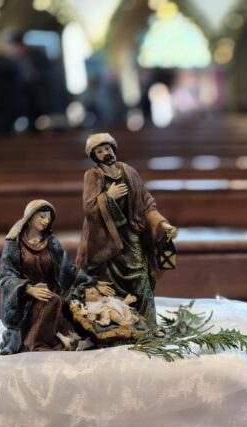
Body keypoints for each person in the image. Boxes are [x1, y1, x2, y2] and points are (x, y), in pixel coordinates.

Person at [76, 133, 178, 327]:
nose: (105, 153)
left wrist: (163, 224)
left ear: (113, 149)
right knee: (109, 283)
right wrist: (108, 197)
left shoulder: (129, 172)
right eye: (100, 151)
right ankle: (117, 323)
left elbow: (146, 203)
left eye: (107, 148)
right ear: (94, 156)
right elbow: (89, 209)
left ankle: (149, 324)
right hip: (106, 240)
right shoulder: (93, 175)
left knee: (141, 274)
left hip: (131, 235)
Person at [0, 199, 93, 354]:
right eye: (41, 217)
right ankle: (34, 342)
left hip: (52, 291)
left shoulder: (51, 242)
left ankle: (57, 336)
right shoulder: (14, 243)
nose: (46, 221)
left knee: (69, 303)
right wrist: (29, 289)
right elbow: (6, 277)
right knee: (52, 300)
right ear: (30, 218)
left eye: (48, 218)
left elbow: (67, 269)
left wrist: (91, 281)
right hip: (25, 301)